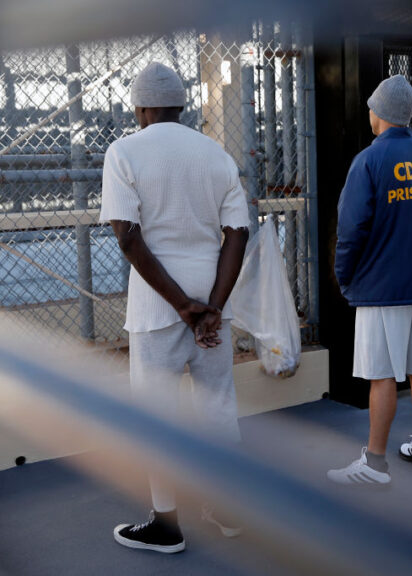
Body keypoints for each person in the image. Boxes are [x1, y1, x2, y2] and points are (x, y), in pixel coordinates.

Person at [99, 61, 250, 552]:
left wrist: (181, 306)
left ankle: (166, 525)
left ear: (141, 107)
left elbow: (128, 236)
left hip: (157, 303)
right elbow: (237, 233)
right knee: (217, 405)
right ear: (181, 105)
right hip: (211, 295)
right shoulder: (215, 154)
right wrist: (211, 308)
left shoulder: (124, 152)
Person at [327, 75, 412, 486]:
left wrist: (345, 278)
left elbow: (351, 229)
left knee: (382, 375)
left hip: (381, 288)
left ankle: (375, 463)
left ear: (378, 112)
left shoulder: (368, 161)